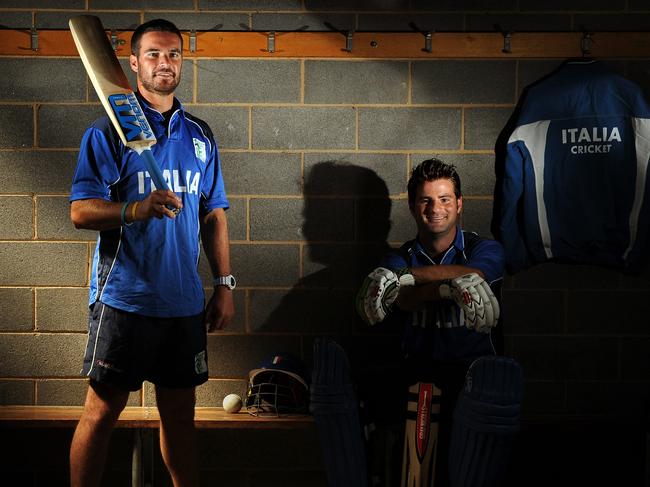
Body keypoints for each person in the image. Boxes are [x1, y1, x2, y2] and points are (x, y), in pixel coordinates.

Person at [68, 19, 235, 487]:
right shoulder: (107, 132)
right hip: (125, 299)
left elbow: (214, 214)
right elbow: (81, 212)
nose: (166, 63)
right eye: (155, 54)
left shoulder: (200, 135)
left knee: (180, 417)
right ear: (135, 62)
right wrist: (137, 208)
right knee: (101, 413)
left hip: (183, 304)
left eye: (174, 54)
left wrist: (224, 284)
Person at [356, 158, 505, 486]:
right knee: (415, 474)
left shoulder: (484, 248)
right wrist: (447, 287)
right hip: (418, 377)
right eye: (425, 200)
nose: (435, 208)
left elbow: (476, 274)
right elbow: (402, 299)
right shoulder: (398, 257)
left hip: (473, 378)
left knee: (468, 473)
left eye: (444, 199)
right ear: (412, 206)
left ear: (459, 203)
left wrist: (410, 279)